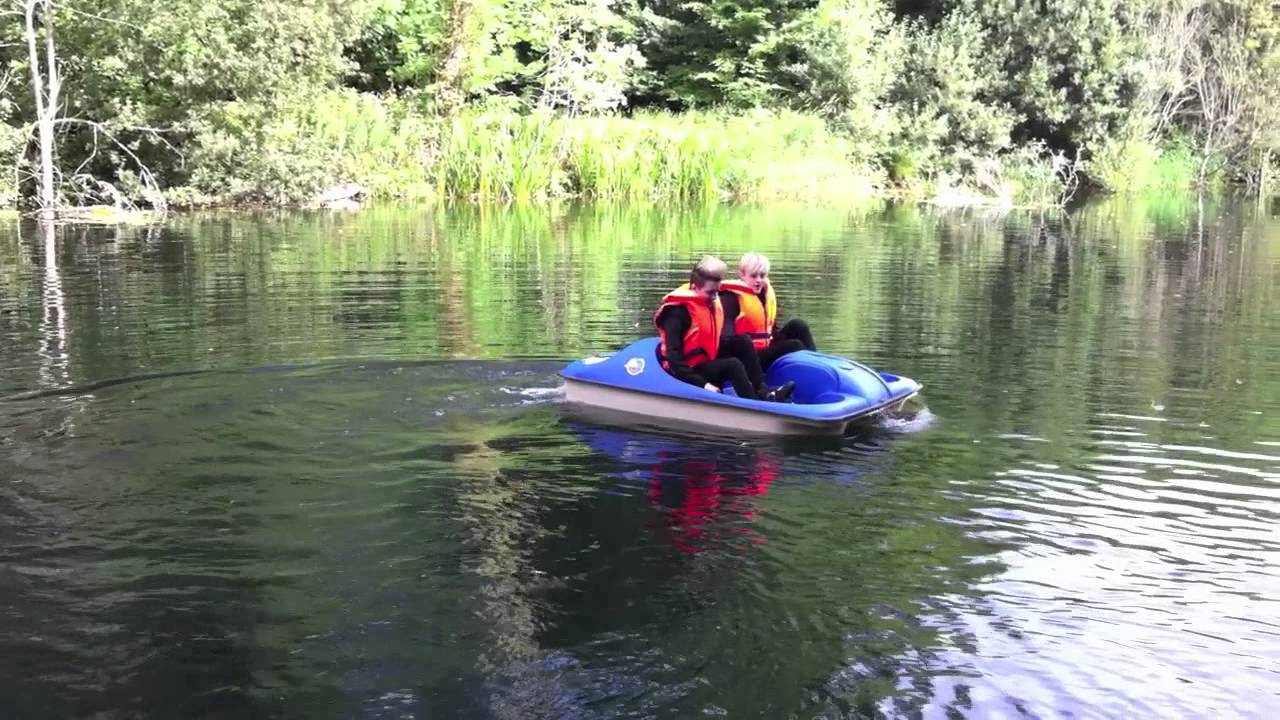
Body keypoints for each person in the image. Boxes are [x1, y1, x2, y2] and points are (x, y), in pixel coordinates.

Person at [654, 255, 794, 402]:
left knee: (743, 341)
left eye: (717, 292)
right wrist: (704, 385)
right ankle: (755, 405)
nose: (715, 298)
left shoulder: (709, 303)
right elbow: (675, 361)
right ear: (694, 287)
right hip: (685, 371)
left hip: (704, 359)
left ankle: (764, 392)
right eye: (710, 293)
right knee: (732, 365)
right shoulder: (676, 314)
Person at [718, 252, 816, 370]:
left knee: (799, 325)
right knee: (794, 346)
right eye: (753, 276)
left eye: (763, 275)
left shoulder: (765, 295)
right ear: (742, 275)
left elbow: (771, 331)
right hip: (746, 357)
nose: (758, 280)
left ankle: (818, 363)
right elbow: (728, 342)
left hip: (765, 348)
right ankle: (810, 371)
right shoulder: (730, 299)